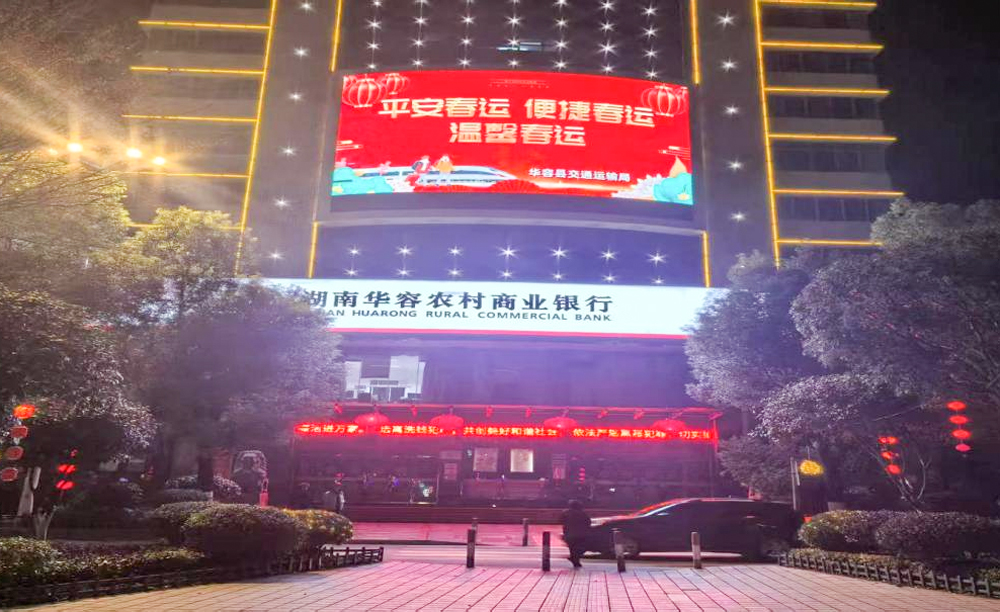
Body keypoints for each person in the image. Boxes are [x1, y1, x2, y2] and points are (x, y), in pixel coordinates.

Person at [561, 499, 591, 568]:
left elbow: (560, 521)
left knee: (572, 548)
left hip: (569, 533)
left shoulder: (565, 513)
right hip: (580, 533)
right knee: (579, 548)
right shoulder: (582, 513)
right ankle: (575, 561)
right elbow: (588, 522)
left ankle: (575, 561)